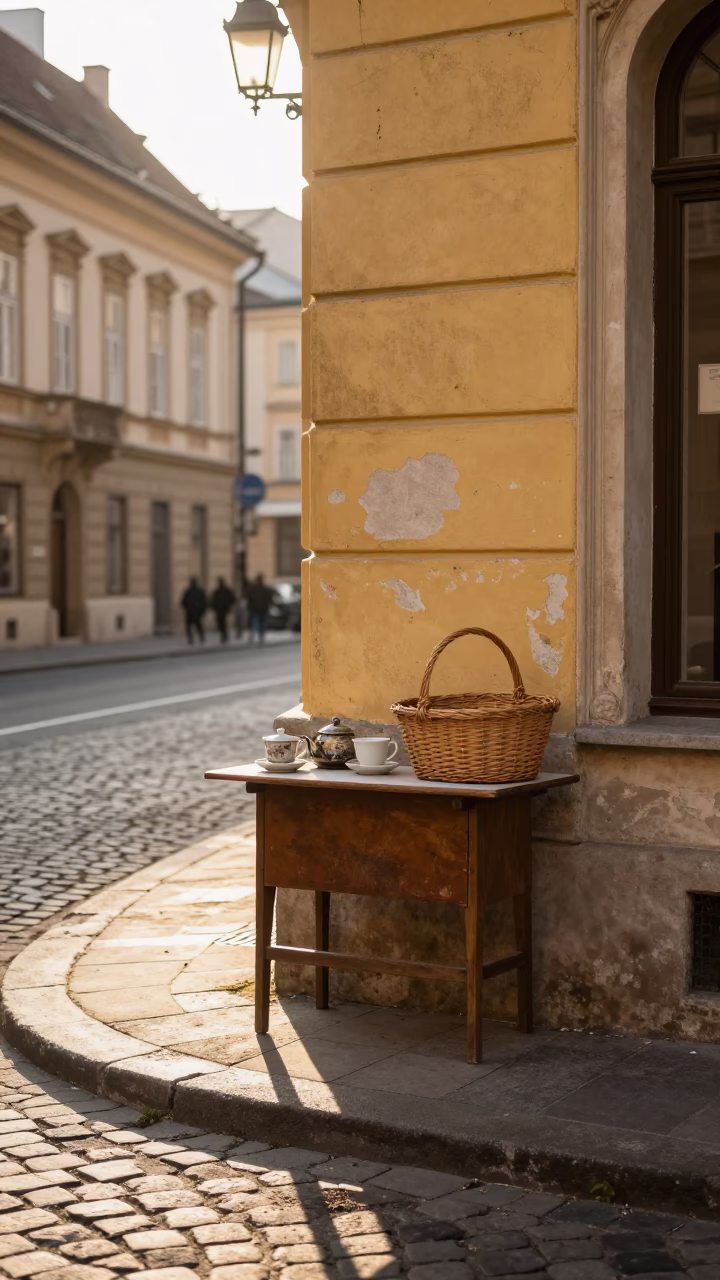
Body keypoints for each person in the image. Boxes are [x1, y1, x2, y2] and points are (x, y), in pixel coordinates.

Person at [247, 572, 274, 644]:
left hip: (262, 609)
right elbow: (249, 599)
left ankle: (260, 637)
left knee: (261, 623)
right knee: (255, 623)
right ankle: (254, 636)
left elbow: (269, 599)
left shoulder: (264, 589)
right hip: (256, 609)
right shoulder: (254, 589)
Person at [181, 577, 207, 645]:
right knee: (197, 625)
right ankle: (200, 637)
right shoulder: (198, 591)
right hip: (195, 612)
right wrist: (202, 610)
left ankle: (192, 639)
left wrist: (187, 607)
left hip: (191, 612)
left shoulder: (189, 591)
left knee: (191, 626)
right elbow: (204, 602)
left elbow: (183, 602)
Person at [211, 577, 236, 644]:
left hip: (224, 609)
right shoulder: (218, 591)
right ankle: (224, 634)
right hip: (219, 609)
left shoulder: (226, 591)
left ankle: (224, 635)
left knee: (223, 622)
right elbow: (214, 600)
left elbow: (232, 599)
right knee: (220, 622)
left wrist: (228, 605)